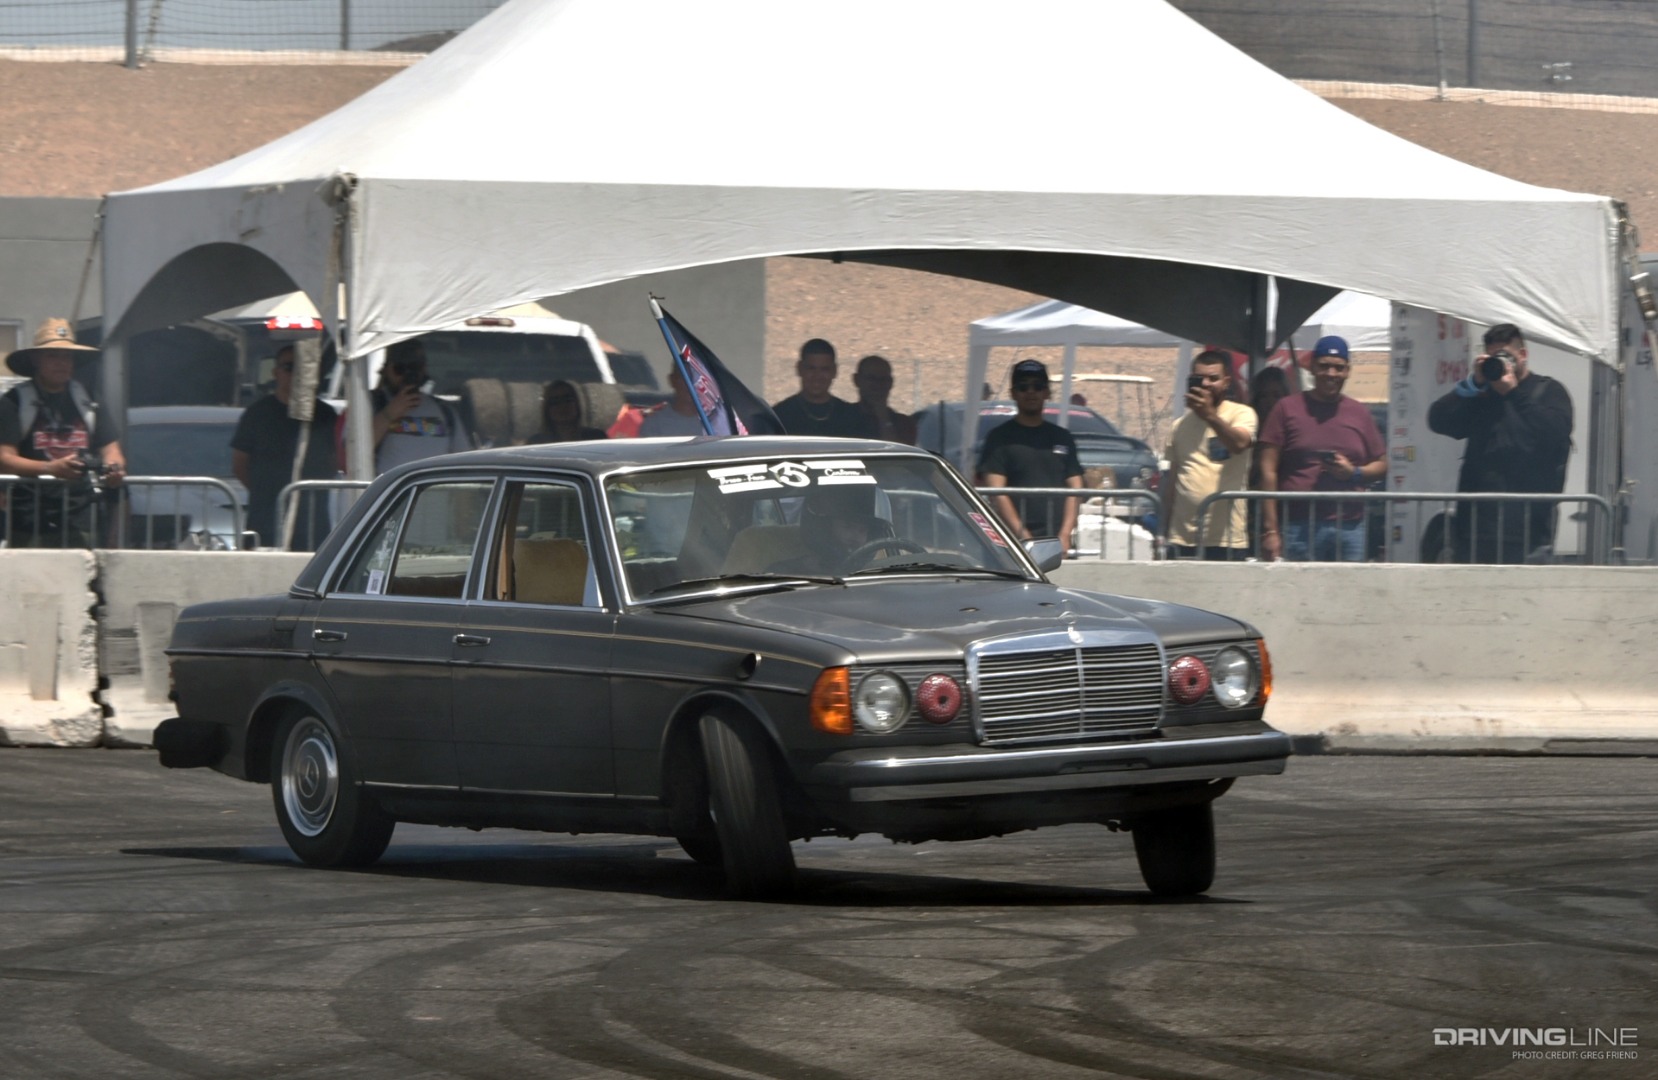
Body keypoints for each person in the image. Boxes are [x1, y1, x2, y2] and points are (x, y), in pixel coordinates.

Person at [1426, 323, 1573, 563]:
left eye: (1506, 357)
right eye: (1494, 358)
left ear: (1523, 356)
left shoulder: (1548, 392)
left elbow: (1553, 433)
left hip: (1529, 532)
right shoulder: (1483, 396)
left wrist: (1514, 393)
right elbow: (1438, 421)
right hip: (1476, 530)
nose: (1501, 363)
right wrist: (1473, 384)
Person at [1256, 336, 1385, 562]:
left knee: (1349, 594)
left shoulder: (1359, 412)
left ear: (1347, 371)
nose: (1331, 374)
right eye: (1324, 366)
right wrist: (1271, 530)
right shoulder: (1286, 408)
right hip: (1298, 526)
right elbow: (1268, 471)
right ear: (1312, 367)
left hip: (1350, 526)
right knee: (1299, 596)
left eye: (1339, 367)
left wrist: (1354, 473)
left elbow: (1383, 464)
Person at [0, 317, 125, 547]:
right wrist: (50, 469)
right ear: (36, 359)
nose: (62, 362)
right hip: (28, 519)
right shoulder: (14, 402)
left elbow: (112, 450)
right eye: (53, 355)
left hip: (81, 517)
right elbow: (4, 459)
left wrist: (114, 469)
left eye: (67, 356)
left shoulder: (89, 399)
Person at [230, 344, 339, 549]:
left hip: (312, 520)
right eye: (289, 368)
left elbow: (334, 461)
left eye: (303, 369)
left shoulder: (325, 415)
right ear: (276, 372)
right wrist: (267, 492)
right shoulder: (257, 414)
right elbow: (239, 465)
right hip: (266, 519)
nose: (296, 374)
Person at [978, 359, 1084, 550]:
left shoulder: (1062, 437)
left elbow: (1075, 489)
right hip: (1014, 546)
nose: (1031, 392)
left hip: (1058, 544)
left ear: (1047, 393)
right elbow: (997, 492)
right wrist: (1025, 538)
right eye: (1023, 387)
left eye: (1037, 386)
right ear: (1013, 393)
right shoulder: (999, 438)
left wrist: (1065, 535)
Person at [1162, 349, 1257, 559]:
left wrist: (1210, 416)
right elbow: (1172, 484)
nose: (1205, 384)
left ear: (1226, 382)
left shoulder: (1241, 414)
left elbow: (1240, 443)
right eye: (1199, 378)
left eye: (1213, 378)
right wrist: (1163, 532)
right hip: (1182, 538)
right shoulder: (1179, 426)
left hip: (1226, 539)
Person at [363, 339, 471, 474]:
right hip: (389, 493)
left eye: (415, 367)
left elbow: (463, 462)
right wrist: (389, 413)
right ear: (387, 369)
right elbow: (354, 453)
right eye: (400, 369)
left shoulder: (445, 412)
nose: (408, 374)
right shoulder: (368, 405)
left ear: (424, 368)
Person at [771, 339, 876, 438]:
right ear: (799, 369)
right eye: (811, 368)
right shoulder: (780, 416)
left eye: (824, 369)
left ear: (834, 371)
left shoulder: (851, 417)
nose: (817, 376)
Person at [852, 354, 917, 444]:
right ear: (857, 380)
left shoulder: (903, 424)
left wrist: (883, 418)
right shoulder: (843, 417)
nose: (877, 385)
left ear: (890, 383)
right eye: (871, 379)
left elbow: (899, 453)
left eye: (883, 379)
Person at [525, 379, 608, 443]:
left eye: (567, 400)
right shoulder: (536, 444)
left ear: (577, 404)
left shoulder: (596, 438)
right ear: (547, 409)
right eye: (555, 402)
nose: (562, 406)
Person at [638, 367, 708, 437]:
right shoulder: (654, 425)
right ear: (672, 380)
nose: (691, 384)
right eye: (685, 377)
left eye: (696, 379)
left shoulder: (714, 422)